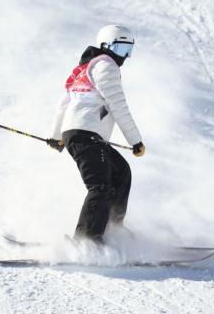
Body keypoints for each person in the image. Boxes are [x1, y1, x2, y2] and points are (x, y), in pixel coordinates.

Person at [47, 25, 145, 244]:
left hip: (81, 133)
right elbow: (118, 105)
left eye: (128, 50)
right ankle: (86, 240)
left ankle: (112, 228)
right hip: (86, 134)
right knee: (100, 185)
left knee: (121, 172)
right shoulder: (106, 66)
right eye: (120, 49)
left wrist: (57, 135)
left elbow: (64, 104)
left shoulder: (84, 69)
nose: (124, 56)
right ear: (106, 46)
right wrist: (135, 140)